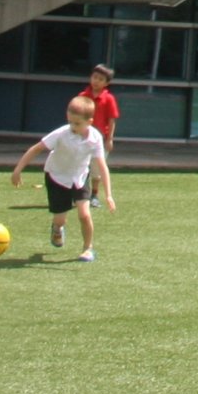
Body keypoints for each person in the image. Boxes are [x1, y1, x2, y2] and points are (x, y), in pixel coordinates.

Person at [11, 95, 116, 261]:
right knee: (60, 218)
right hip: (57, 177)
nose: (73, 127)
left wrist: (108, 194)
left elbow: (102, 166)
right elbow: (36, 149)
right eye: (71, 122)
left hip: (80, 177)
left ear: (89, 121)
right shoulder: (61, 134)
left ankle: (88, 248)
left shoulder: (95, 138)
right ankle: (57, 228)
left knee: (84, 215)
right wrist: (18, 170)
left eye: (77, 123)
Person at [76, 64, 121, 155]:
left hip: (101, 136)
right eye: (94, 77)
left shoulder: (109, 98)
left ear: (106, 83)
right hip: (82, 134)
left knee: (98, 164)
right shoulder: (82, 96)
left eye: (101, 79)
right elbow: (76, 115)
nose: (96, 81)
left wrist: (109, 139)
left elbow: (111, 120)